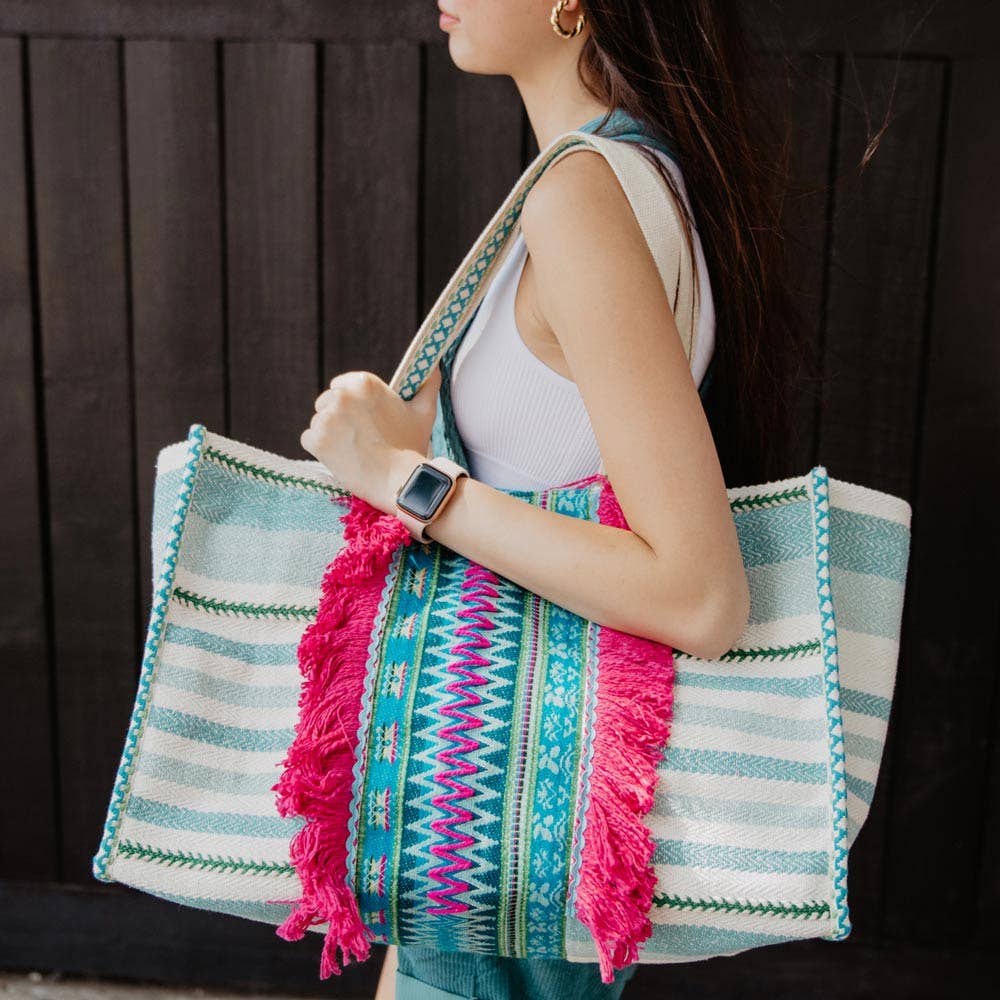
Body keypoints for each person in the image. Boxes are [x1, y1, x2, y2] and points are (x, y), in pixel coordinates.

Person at [301, 1, 811, 997]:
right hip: (505, 782)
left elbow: (698, 594)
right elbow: (568, 465)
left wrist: (405, 481)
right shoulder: (622, 172)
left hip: (504, 791)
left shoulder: (583, 198)